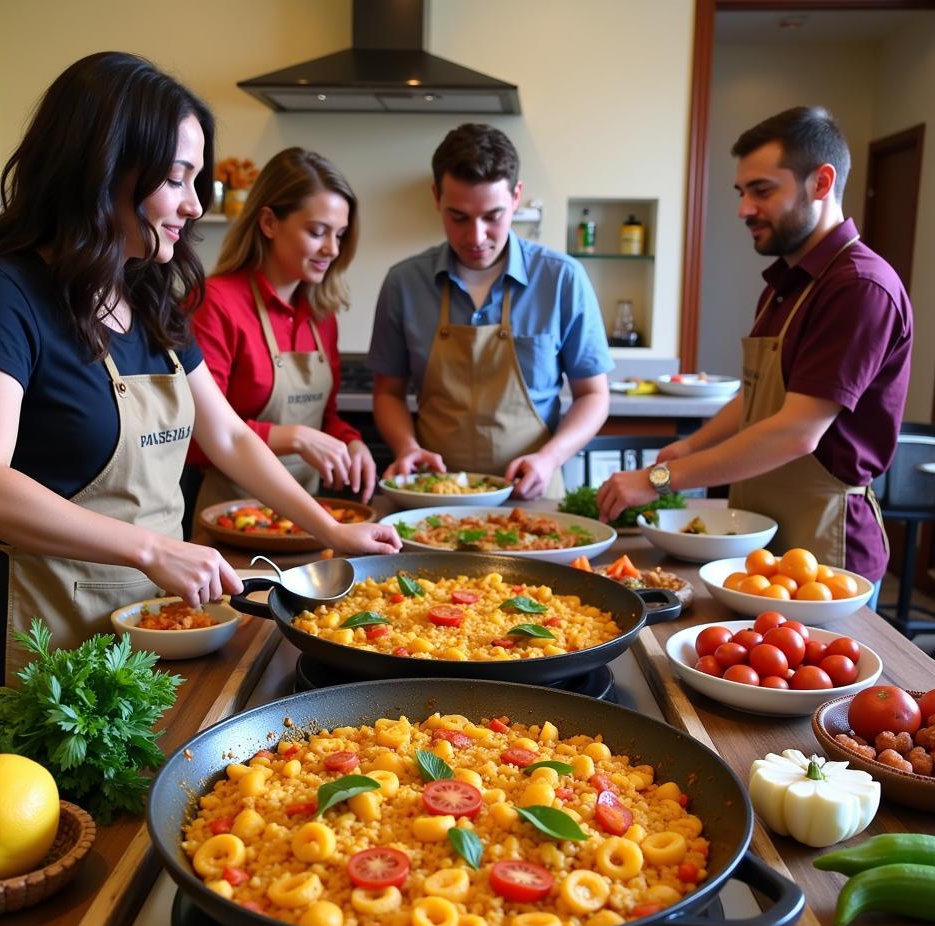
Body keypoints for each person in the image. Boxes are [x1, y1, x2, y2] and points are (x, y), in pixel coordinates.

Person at [0, 52, 399, 685]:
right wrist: (152, 548)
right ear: (104, 169)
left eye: (196, 181)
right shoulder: (2, 292)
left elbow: (231, 436)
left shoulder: (150, 295)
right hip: (46, 630)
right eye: (178, 178)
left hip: (159, 622)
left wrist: (332, 532)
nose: (193, 204)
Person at [597, 106, 912, 598]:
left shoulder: (859, 287)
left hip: (826, 549)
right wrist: (692, 445)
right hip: (765, 535)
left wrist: (660, 478)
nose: (744, 208)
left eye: (762, 190)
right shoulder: (787, 284)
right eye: (741, 192)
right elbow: (758, 396)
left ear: (821, 183)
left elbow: (795, 432)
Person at [367, 123, 613, 500]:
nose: (476, 237)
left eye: (492, 216)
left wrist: (549, 458)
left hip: (532, 495)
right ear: (436, 197)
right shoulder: (405, 283)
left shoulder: (561, 279)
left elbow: (594, 395)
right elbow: (388, 393)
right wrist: (406, 448)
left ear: (516, 197)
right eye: (459, 217)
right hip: (433, 496)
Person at [187, 147, 377, 515]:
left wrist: (351, 441)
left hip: (309, 519)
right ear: (269, 222)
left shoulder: (322, 314)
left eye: (340, 235)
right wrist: (294, 438)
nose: (332, 249)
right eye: (317, 232)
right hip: (230, 521)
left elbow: (326, 419)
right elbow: (191, 440)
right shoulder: (215, 304)